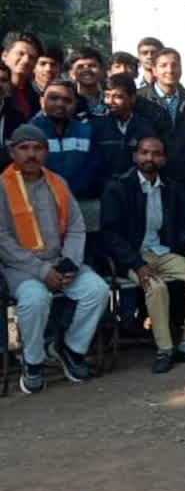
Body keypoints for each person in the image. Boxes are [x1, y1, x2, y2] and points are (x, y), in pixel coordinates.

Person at [0, 125, 110, 393]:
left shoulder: (57, 182)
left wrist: (69, 263)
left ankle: (70, 349)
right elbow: (2, 238)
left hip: (61, 262)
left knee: (97, 290)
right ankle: (33, 360)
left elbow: (75, 225)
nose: (31, 154)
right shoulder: (2, 186)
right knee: (35, 299)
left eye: (37, 148)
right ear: (12, 152)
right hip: (20, 267)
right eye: (24, 148)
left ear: (46, 152)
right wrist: (40, 271)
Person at [101, 135, 185, 373]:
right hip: (132, 257)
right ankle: (164, 349)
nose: (149, 158)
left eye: (156, 154)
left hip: (161, 252)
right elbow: (110, 235)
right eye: (144, 152)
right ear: (135, 156)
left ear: (163, 159)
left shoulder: (171, 189)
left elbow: (180, 227)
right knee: (156, 287)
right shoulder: (119, 187)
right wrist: (136, 264)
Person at [141, 48, 185, 195]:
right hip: (149, 172)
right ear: (154, 70)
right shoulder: (140, 100)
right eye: (163, 66)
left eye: (175, 65)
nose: (170, 70)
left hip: (183, 176)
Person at [30, 80, 101, 200]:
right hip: (40, 202)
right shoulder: (30, 132)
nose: (60, 104)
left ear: (75, 103)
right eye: (54, 98)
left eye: (67, 100)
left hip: (79, 202)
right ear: (42, 100)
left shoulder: (86, 131)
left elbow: (92, 168)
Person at [92, 73, 158, 181]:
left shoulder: (145, 127)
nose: (111, 102)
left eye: (117, 97)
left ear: (132, 97)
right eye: (107, 96)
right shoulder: (96, 127)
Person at [2, 32, 43, 121]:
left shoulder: (38, 97)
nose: (26, 60)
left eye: (32, 57)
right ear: (4, 55)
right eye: (20, 54)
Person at [67, 47, 107, 118]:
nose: (87, 70)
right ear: (71, 74)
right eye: (80, 67)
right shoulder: (67, 100)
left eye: (92, 66)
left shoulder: (112, 97)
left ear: (102, 70)